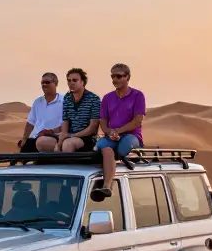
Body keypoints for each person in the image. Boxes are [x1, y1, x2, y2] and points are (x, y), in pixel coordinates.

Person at [92, 63, 146, 201]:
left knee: (122, 149)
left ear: (127, 77)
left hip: (131, 135)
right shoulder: (107, 98)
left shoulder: (138, 96)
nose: (115, 79)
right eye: (112, 76)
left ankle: (110, 176)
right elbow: (103, 120)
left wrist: (118, 131)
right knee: (104, 148)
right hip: (111, 135)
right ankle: (107, 186)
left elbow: (137, 121)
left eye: (119, 76)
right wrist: (109, 132)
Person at [56, 67, 101, 152]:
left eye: (74, 80)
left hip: (87, 138)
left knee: (68, 144)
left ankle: (68, 164)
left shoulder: (94, 99)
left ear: (82, 82)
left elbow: (93, 128)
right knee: (42, 142)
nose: (71, 83)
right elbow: (65, 121)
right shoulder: (67, 98)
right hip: (69, 136)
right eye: (69, 80)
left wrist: (71, 136)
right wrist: (60, 141)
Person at [18, 72, 63, 153]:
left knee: (41, 144)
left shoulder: (65, 100)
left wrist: (51, 131)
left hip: (54, 138)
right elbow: (30, 122)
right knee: (21, 154)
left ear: (55, 83)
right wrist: (24, 138)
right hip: (35, 138)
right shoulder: (37, 102)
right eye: (42, 83)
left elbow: (67, 123)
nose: (44, 85)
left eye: (47, 82)